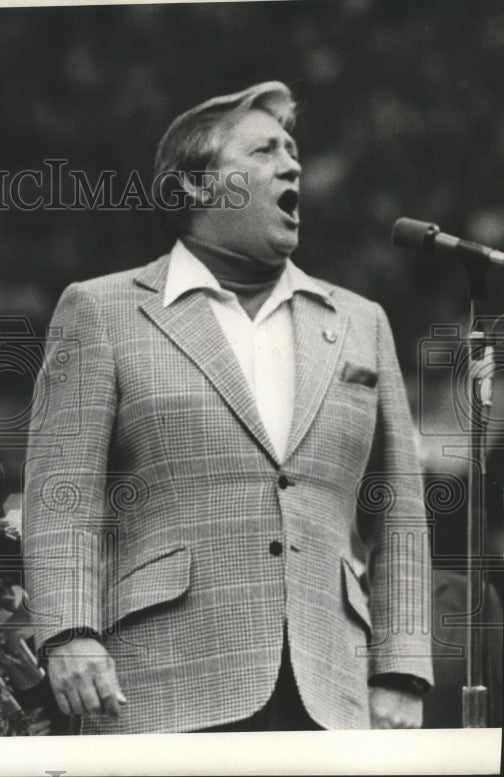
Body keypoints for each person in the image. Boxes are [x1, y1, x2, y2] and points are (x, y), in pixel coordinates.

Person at [23, 81, 433, 733]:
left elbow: (401, 514)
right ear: (192, 186)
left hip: (334, 690)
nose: (292, 164)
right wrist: (70, 632)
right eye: (265, 150)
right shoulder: (101, 309)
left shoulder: (361, 322)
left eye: (294, 151)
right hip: (160, 685)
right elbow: (61, 494)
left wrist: (401, 670)